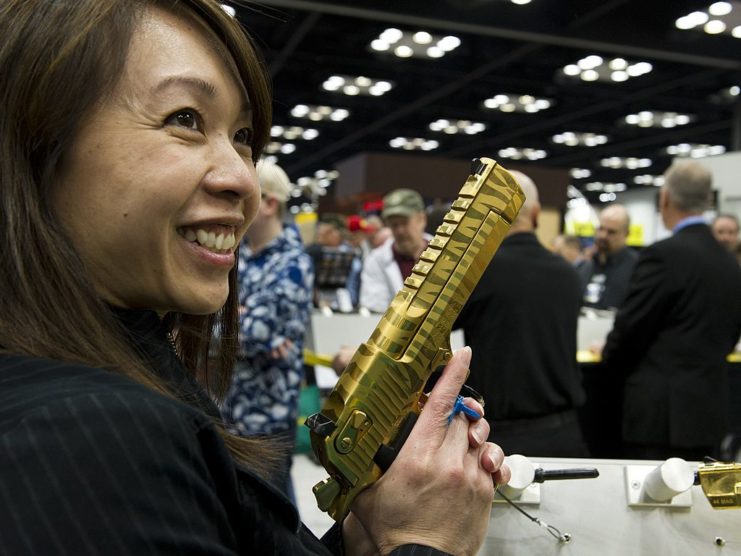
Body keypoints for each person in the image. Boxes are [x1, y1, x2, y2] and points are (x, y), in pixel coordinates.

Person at [0, 0, 509, 553]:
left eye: (242, 135)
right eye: (185, 119)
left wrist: (372, 540)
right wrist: (424, 540)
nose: (243, 179)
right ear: (36, 144)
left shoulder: (115, 381)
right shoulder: (86, 436)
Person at [601, 161, 741, 461]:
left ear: (665, 199)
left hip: (658, 419)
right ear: (708, 200)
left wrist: (607, 360)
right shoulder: (730, 263)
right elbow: (730, 336)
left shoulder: (662, 256)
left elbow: (629, 333)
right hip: (709, 416)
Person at [454, 171, 589, 458]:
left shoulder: (478, 273)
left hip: (497, 441)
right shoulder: (569, 275)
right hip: (565, 434)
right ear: (537, 214)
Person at [221, 160, 314, 500]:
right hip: (228, 407)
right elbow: (196, 316)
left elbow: (254, 332)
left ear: (270, 203)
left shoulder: (293, 263)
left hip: (269, 415)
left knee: (272, 511)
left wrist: (227, 319)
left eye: (243, 195)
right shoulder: (237, 253)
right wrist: (236, 320)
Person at [360, 188, 432, 313]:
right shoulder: (376, 260)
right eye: (394, 224)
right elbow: (375, 308)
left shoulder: (444, 255)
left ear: (422, 219)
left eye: (404, 223)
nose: (399, 231)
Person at [579, 203, 638, 310]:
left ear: (626, 234)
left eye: (611, 232)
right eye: (601, 229)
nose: (603, 236)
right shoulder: (584, 266)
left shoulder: (637, 268)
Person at [307, 212, 362, 310]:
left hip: (346, 303)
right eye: (320, 233)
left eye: (327, 233)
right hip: (319, 305)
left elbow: (354, 282)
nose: (321, 237)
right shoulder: (313, 252)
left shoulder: (351, 253)